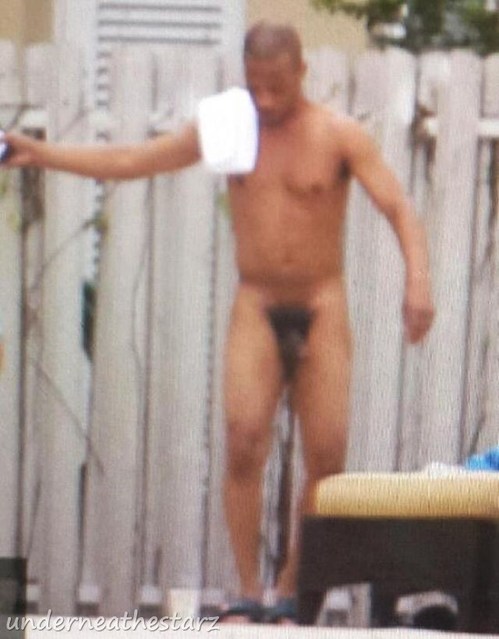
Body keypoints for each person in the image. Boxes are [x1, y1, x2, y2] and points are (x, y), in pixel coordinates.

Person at [2, 21, 434, 624]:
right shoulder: (231, 125)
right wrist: (41, 153)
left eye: (277, 87)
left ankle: (292, 592)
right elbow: (133, 158)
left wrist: (418, 282)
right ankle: (251, 591)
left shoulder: (338, 134)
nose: (266, 100)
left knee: (327, 455)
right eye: (256, 87)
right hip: (257, 302)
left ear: (302, 72)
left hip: (321, 303)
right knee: (243, 438)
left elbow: (398, 206)